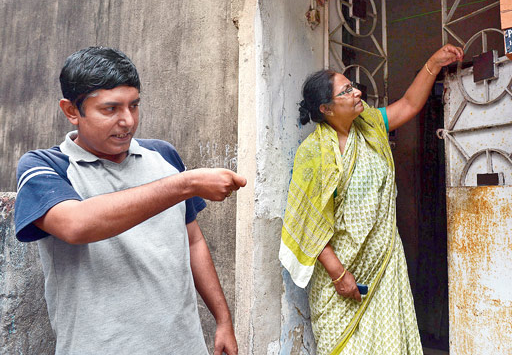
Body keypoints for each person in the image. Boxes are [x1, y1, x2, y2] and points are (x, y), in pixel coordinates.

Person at [14, 47, 245, 355]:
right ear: (71, 111)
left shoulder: (163, 156)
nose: (127, 121)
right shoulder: (45, 166)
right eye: (110, 109)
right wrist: (186, 183)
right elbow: (76, 225)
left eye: (133, 106)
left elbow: (193, 241)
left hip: (183, 345)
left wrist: (223, 320)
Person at [279, 44, 464, 354]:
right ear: (325, 108)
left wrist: (433, 62)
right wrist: (339, 275)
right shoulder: (313, 153)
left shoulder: (370, 126)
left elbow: (408, 104)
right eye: (346, 91)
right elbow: (308, 223)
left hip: (384, 266)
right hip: (342, 281)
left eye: (353, 87)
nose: (357, 94)